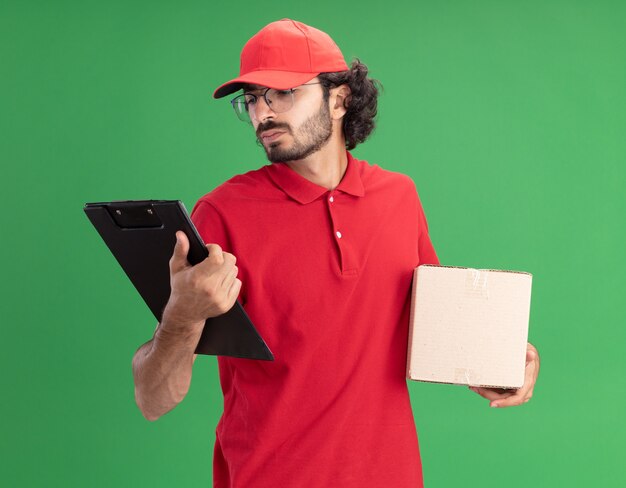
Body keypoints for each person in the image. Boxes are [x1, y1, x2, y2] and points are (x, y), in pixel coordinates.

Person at [132, 19, 540, 488]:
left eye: (281, 93)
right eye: (252, 99)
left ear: (340, 98)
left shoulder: (398, 197)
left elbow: (440, 335)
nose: (262, 113)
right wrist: (181, 317)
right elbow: (153, 400)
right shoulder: (223, 213)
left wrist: (506, 361)